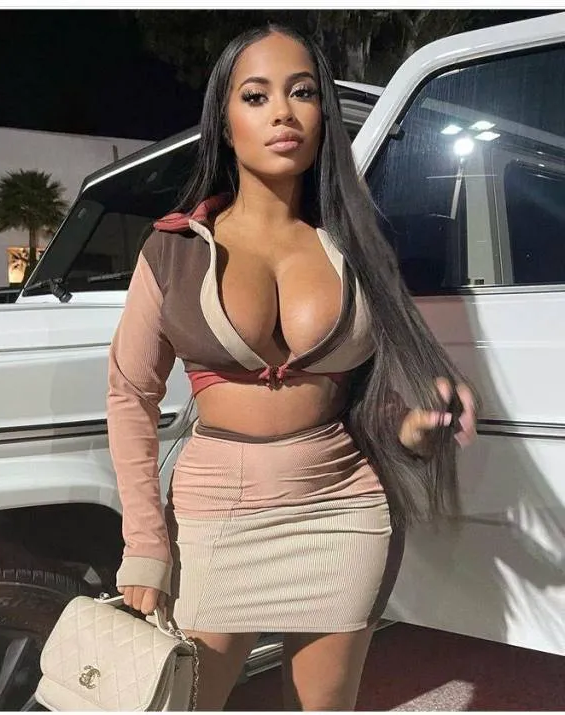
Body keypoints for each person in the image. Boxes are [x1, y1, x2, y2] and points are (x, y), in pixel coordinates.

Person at [107, 24, 477, 711]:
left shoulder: (358, 243)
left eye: (302, 92)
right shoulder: (174, 250)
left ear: (323, 116)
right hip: (216, 517)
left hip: (343, 508)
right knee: (183, 703)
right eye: (256, 96)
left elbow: (373, 398)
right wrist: (144, 542)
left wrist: (419, 425)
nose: (283, 112)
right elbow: (131, 396)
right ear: (225, 123)